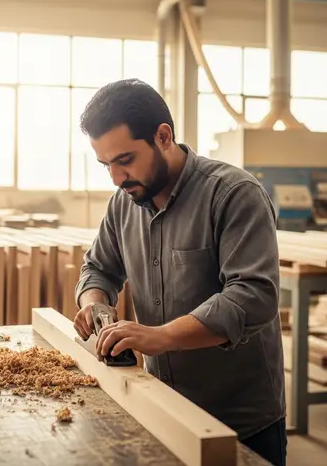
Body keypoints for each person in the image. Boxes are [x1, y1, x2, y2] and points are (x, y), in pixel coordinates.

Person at [72, 78, 287, 466]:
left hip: (240, 421)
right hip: (160, 406)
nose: (117, 178)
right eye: (106, 165)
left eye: (125, 160)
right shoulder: (123, 204)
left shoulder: (234, 194)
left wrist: (161, 337)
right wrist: (94, 304)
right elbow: (98, 269)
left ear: (163, 136)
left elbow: (253, 297)